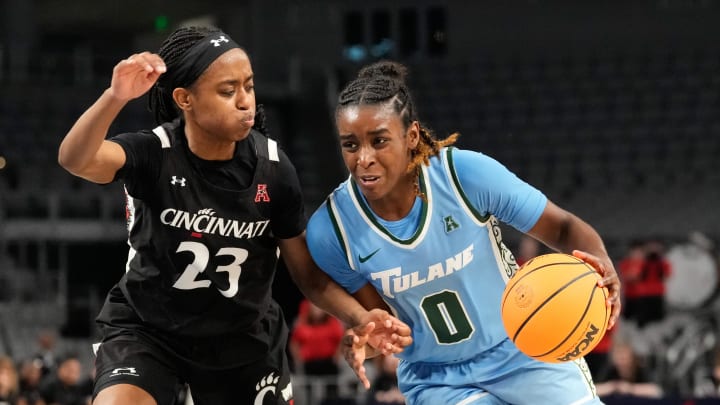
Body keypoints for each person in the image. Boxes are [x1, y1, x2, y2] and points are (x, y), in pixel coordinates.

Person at [57, 26, 410, 405]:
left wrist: (359, 316)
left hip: (242, 340)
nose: (245, 101)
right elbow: (75, 159)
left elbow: (307, 275)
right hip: (150, 329)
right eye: (228, 91)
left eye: (249, 86)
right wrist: (115, 97)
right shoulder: (154, 152)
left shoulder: (274, 169)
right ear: (184, 99)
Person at [306, 60, 622, 404]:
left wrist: (603, 263)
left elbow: (562, 227)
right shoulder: (332, 230)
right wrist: (362, 340)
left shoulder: (464, 176)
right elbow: (383, 326)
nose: (363, 158)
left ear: (411, 135)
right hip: (438, 379)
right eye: (350, 145)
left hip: (525, 347)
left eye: (379, 141)